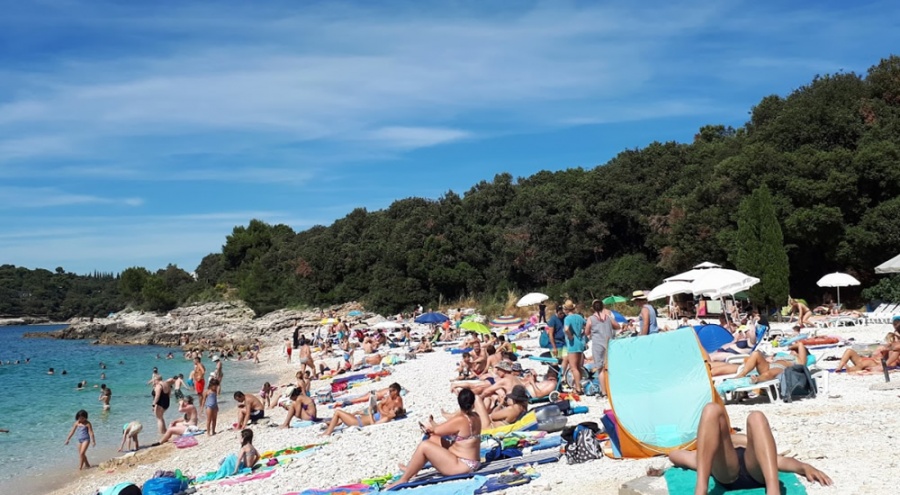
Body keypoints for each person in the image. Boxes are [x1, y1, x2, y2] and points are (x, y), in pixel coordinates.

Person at [668, 403, 831, 494]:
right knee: (711, 409)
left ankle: (773, 490)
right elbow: (676, 456)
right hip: (727, 470)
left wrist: (804, 467)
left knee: (756, 416)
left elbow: (780, 461)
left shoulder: (749, 443)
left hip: (753, 467)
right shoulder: (708, 455)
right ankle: (701, 490)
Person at [387, 389, 482, 489]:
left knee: (424, 446)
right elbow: (440, 431)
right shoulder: (476, 416)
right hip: (472, 461)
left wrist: (429, 427)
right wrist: (432, 425)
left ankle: (404, 479)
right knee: (433, 439)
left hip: (463, 465)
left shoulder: (461, 419)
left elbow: (437, 430)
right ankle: (412, 470)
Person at [322, 382, 405, 435]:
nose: (389, 393)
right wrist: (381, 412)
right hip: (362, 419)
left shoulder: (395, 407)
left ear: (396, 391)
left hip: (358, 422)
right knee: (355, 413)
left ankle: (327, 433)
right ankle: (334, 425)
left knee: (337, 412)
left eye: (391, 391)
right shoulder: (389, 400)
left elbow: (391, 415)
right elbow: (380, 405)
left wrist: (372, 413)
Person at [711, 343, 809, 382]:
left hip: (781, 368)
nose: (791, 352)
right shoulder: (782, 355)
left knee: (769, 373)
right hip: (768, 364)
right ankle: (742, 374)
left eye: (794, 351)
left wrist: (790, 347)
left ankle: (757, 379)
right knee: (756, 353)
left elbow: (800, 344)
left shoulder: (799, 361)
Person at [584, 299, 620, 394]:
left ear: (593, 308)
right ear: (602, 307)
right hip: (609, 344)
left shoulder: (591, 319)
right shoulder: (608, 317)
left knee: (600, 369)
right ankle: (612, 389)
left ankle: (604, 391)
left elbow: (586, 332)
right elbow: (617, 326)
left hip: (597, 344)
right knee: (610, 367)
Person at [562, 300, 587, 394]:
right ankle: (579, 385)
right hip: (580, 342)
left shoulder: (567, 318)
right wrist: (583, 333)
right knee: (579, 366)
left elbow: (566, 329)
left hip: (573, 344)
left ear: (566, 309)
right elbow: (587, 325)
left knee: (573, 367)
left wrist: (570, 336)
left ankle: (578, 388)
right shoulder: (579, 317)